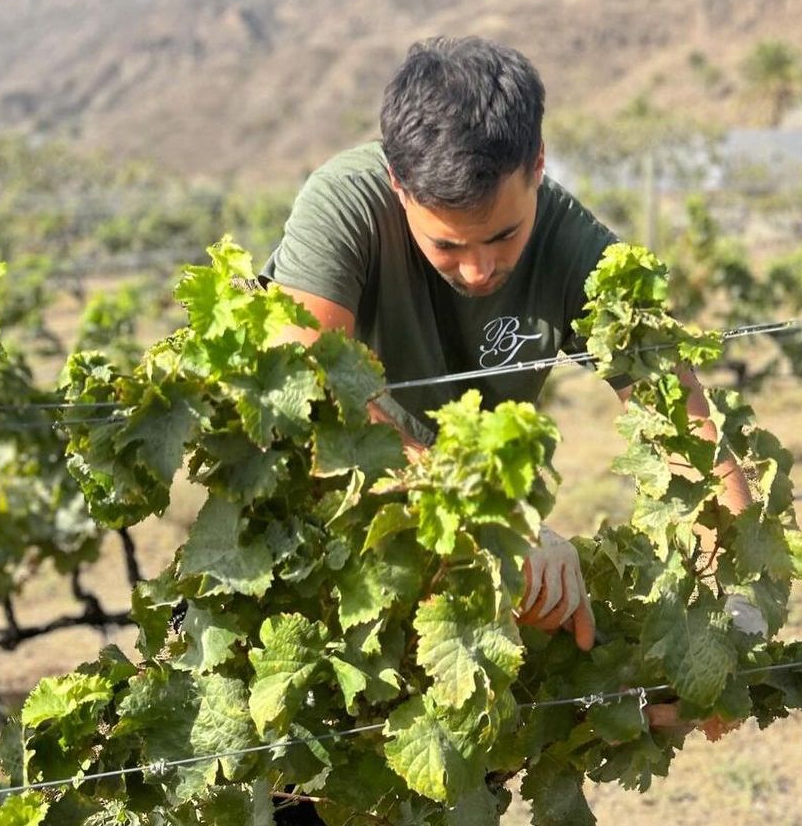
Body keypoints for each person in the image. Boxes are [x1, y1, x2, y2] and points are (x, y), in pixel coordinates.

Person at [262, 35, 752, 647]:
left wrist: (732, 619)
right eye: (446, 245)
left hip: (477, 569)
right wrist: (495, 522)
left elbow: (686, 431)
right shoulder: (344, 204)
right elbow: (307, 387)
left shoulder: (581, 252)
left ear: (539, 163)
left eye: (502, 236)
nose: (477, 270)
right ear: (397, 182)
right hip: (329, 546)